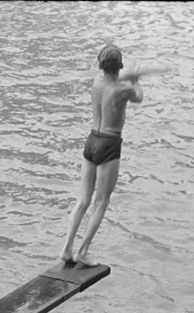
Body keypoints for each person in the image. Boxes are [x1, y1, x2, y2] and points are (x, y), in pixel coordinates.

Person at [60, 44, 144, 267]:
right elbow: (138, 97)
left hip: (91, 141)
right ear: (120, 66)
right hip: (109, 143)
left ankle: (66, 249)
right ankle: (82, 252)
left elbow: (115, 76)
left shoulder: (97, 82)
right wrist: (135, 79)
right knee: (101, 202)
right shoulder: (122, 90)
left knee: (82, 200)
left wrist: (128, 75)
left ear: (101, 66)